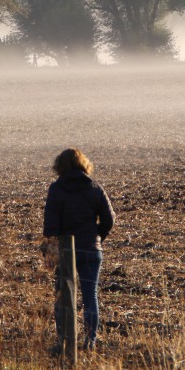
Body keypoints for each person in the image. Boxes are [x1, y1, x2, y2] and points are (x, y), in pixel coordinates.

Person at [42, 147, 115, 353]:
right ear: (83, 164)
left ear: (60, 166)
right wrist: (97, 236)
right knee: (90, 295)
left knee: (63, 296)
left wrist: (51, 250)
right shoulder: (95, 187)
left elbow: (50, 227)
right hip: (92, 250)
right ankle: (90, 340)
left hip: (66, 251)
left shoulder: (56, 189)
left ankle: (64, 342)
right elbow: (110, 219)